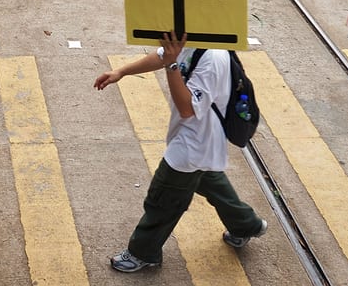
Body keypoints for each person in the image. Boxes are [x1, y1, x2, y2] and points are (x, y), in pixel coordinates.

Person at [94, 34, 266, 273]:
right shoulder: (193, 39)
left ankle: (143, 251)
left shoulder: (214, 58)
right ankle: (246, 224)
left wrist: (173, 65)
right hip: (195, 139)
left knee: (163, 198)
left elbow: (187, 108)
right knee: (210, 181)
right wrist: (121, 72)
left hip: (194, 143)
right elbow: (162, 56)